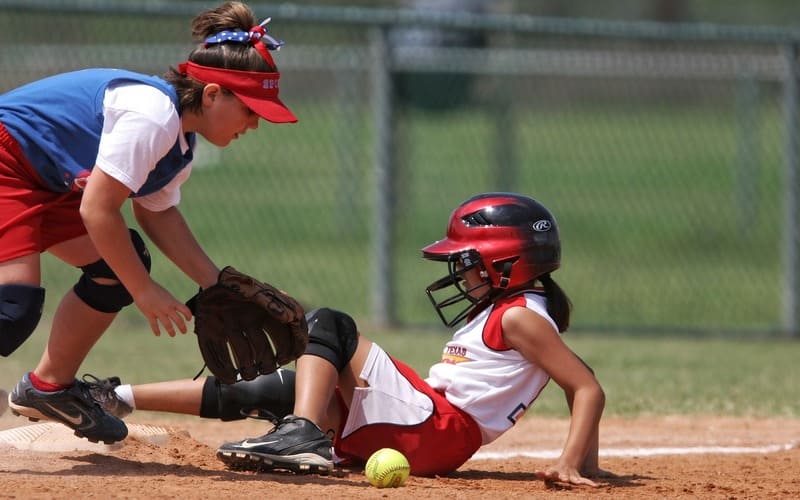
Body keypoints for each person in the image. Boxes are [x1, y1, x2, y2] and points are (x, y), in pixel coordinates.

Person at [91, 192, 607, 486]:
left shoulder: (520, 317)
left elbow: (586, 387)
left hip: (437, 427)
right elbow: (577, 382)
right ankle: (113, 397)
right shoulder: (513, 312)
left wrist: (570, 462)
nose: (459, 273)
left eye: (466, 262)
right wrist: (587, 460)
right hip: (428, 429)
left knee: (328, 324)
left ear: (505, 264)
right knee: (280, 385)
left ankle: (303, 433)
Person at [0, 1, 297, 445]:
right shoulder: (153, 116)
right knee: (13, 306)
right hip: (8, 159)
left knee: (115, 268)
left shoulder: (180, 145)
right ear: (212, 94)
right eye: (250, 109)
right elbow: (97, 210)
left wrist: (215, 282)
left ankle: (48, 388)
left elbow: (155, 212)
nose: (255, 124)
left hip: (45, 179)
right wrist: (144, 290)